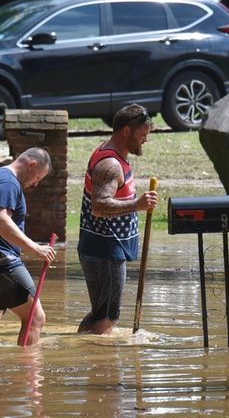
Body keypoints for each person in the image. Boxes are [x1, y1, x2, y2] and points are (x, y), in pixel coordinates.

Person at [77, 103, 159, 334]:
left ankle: (86, 349)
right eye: (143, 135)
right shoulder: (110, 165)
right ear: (126, 131)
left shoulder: (114, 155)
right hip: (104, 250)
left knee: (102, 313)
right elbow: (99, 206)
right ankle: (103, 364)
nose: (146, 140)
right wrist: (138, 204)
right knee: (106, 316)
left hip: (108, 249)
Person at [0, 147, 56, 345]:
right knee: (35, 318)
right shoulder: (7, 183)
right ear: (32, 164)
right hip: (0, 264)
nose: (36, 184)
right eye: (38, 177)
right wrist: (36, 248)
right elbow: (1, 222)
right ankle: (27, 374)